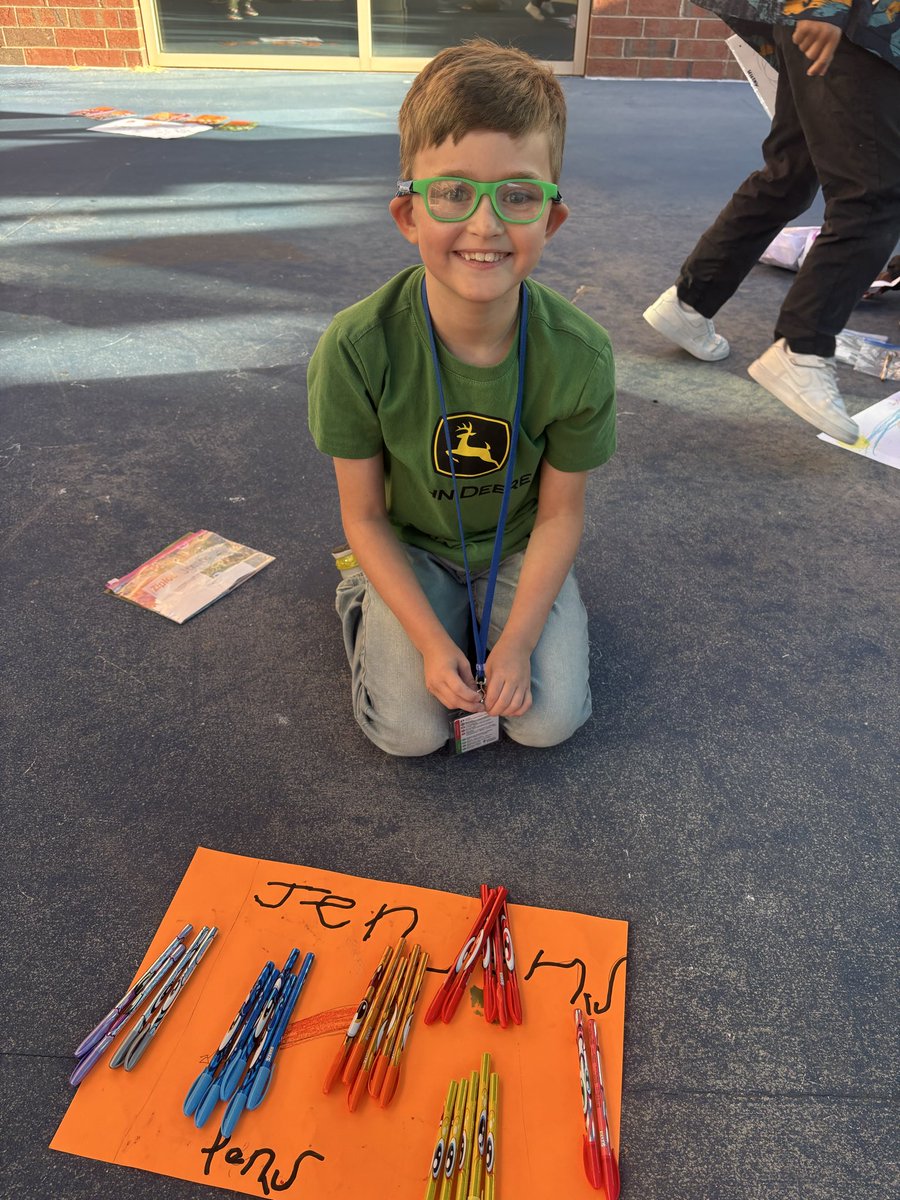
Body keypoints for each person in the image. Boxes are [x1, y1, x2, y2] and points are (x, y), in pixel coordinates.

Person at [307, 40, 616, 757]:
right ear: (409, 216)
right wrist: (423, 636)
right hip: (410, 548)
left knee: (546, 724)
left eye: (517, 195)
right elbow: (363, 514)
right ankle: (365, 600)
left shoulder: (581, 354)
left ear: (551, 219)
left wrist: (518, 642)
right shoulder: (356, 347)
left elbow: (563, 512)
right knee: (410, 734)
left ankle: (531, 612)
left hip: (518, 548)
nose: (484, 225)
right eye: (452, 192)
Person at [643, 0, 900, 444]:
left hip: (834, 21)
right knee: (872, 196)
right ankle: (803, 346)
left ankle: (690, 301)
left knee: (791, 173)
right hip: (855, 25)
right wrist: (826, 8)